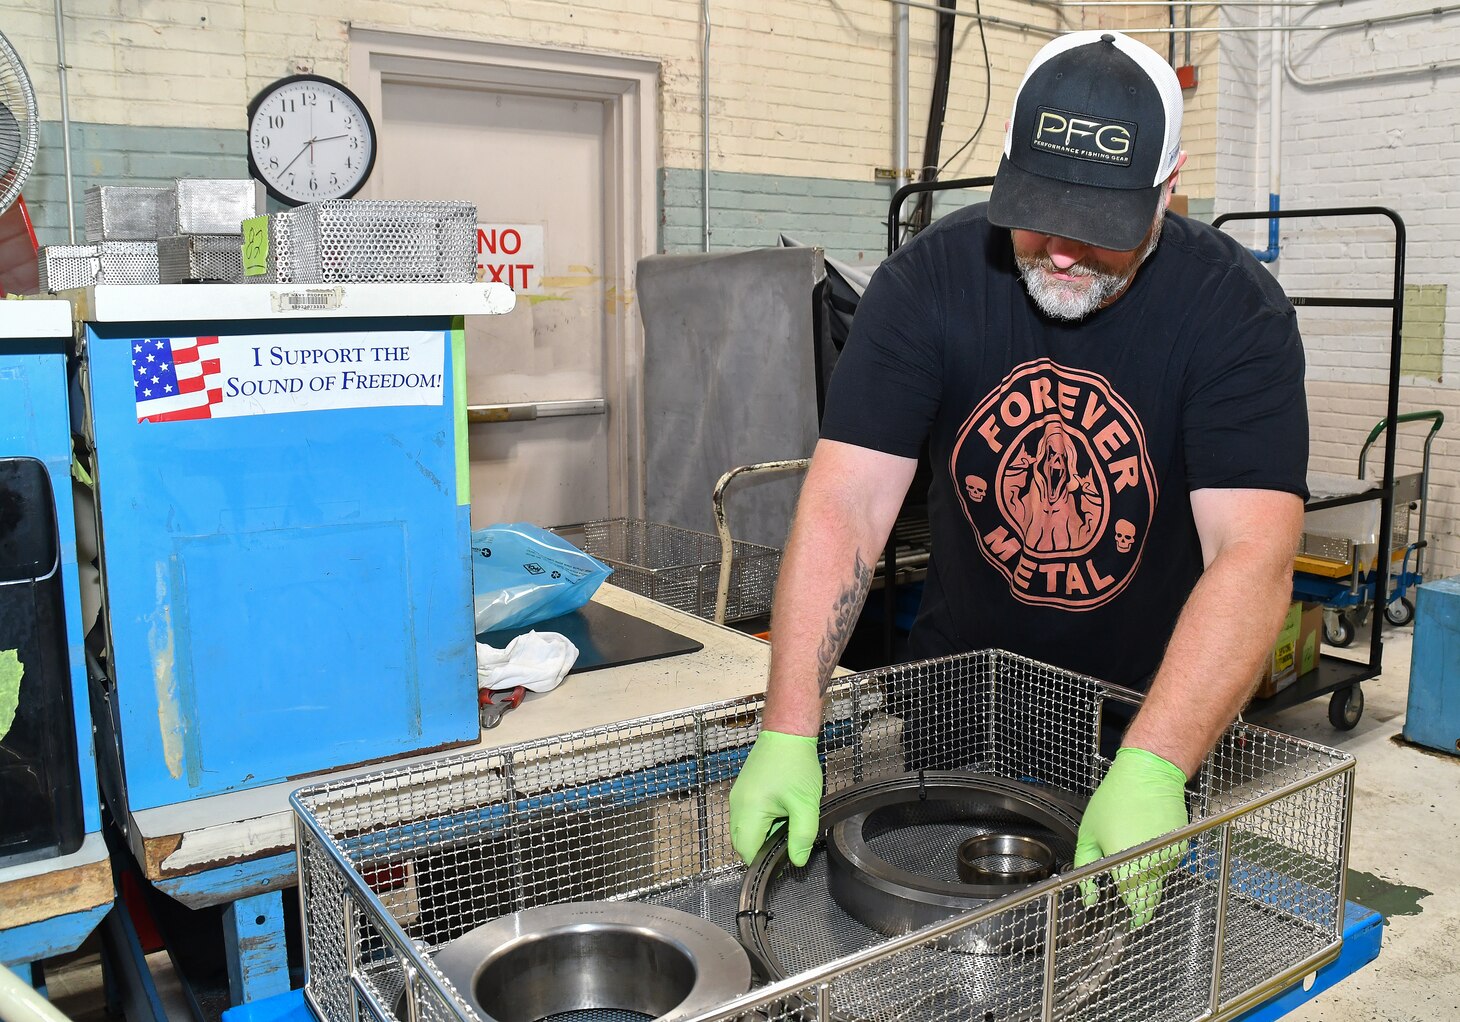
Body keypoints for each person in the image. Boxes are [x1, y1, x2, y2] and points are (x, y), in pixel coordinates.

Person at [728, 29, 1308, 928]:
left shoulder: (1234, 312)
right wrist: (789, 725)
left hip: (1141, 721)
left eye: (1104, 227)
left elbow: (1254, 556)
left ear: (1170, 183)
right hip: (958, 710)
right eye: (1040, 212)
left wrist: (1156, 765)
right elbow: (847, 502)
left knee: (1105, 965)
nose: (1066, 252)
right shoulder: (927, 284)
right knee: (930, 946)